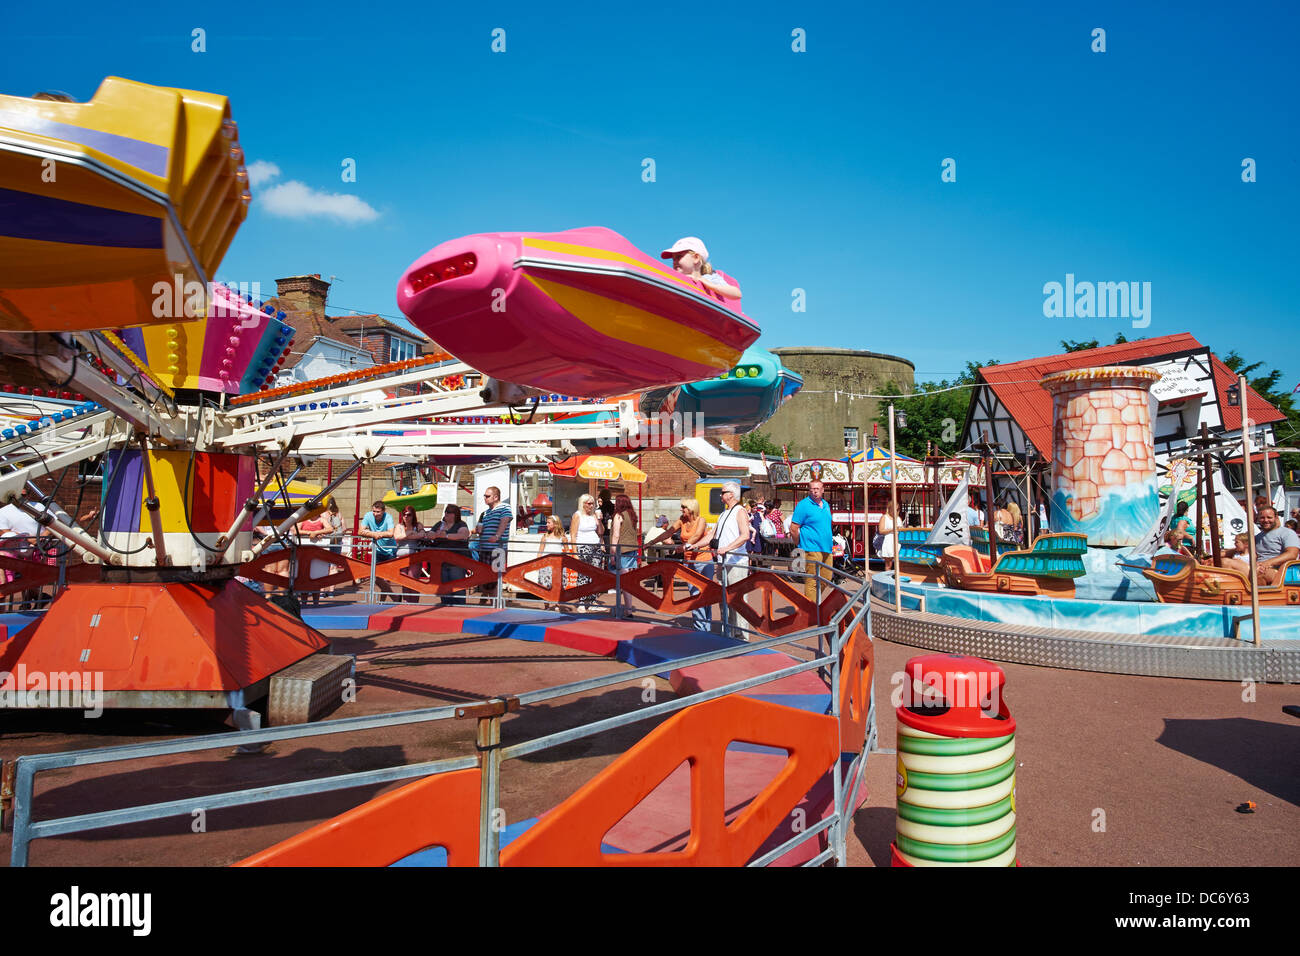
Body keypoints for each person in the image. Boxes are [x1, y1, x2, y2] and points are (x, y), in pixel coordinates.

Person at [662, 498, 714, 630]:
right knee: (695, 595)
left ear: (690, 509)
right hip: (689, 561)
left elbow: (697, 535)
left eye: (683, 507)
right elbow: (669, 532)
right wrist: (650, 542)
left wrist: (684, 546)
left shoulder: (701, 520)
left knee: (706, 594)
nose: (681, 509)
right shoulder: (681, 520)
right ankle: (701, 627)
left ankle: (705, 627)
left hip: (704, 561)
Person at [712, 481, 751, 638]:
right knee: (724, 600)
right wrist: (691, 545)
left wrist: (727, 548)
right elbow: (712, 535)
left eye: (723, 492)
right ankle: (727, 632)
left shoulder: (740, 511)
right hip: (723, 562)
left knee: (738, 600)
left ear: (731, 494)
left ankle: (742, 635)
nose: (721, 495)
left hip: (736, 563)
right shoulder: (723, 514)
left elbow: (745, 535)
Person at [790, 479, 834, 603]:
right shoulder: (803, 505)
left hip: (827, 548)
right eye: (812, 489)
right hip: (811, 548)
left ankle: (813, 604)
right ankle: (811, 613)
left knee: (826, 578)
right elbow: (793, 528)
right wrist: (799, 544)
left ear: (823, 490)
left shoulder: (826, 505)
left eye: (817, 489)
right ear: (809, 490)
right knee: (812, 581)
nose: (815, 491)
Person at [661, 236, 742, 300]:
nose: (675, 262)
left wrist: (708, 284)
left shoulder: (709, 277)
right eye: (673, 259)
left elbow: (737, 294)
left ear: (696, 258)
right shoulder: (673, 278)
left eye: (679, 257)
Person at [470, 486, 513, 602]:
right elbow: (480, 529)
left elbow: (505, 521)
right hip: (485, 548)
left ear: (496, 497)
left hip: (497, 549)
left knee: (495, 578)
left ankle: (495, 603)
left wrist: (497, 536)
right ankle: (486, 597)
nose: (485, 498)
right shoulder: (486, 513)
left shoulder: (504, 507)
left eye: (487, 496)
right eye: (484, 496)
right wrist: (476, 530)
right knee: (485, 576)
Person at [568, 493, 606, 611]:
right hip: (583, 546)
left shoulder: (594, 515)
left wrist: (599, 520)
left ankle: (593, 600)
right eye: (589, 503)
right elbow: (573, 534)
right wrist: (574, 553)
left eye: (593, 503)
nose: (591, 506)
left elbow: (601, 531)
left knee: (595, 574)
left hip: (595, 546)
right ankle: (582, 601)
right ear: (583, 504)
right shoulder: (577, 515)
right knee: (583, 574)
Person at [428, 504, 470, 606]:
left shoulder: (461, 524)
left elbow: (464, 535)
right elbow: (429, 534)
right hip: (441, 562)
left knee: (457, 587)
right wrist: (435, 535)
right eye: (446, 511)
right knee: (444, 587)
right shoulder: (439, 524)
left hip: (457, 561)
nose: (446, 513)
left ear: (455, 514)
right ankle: (445, 608)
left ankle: (459, 609)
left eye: (449, 512)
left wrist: (446, 536)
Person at [358, 501, 398, 602]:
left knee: (385, 578)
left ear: (383, 511)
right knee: (377, 578)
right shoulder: (368, 515)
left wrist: (377, 534)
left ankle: (382, 601)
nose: (375, 514)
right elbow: (360, 531)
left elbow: (391, 533)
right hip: (378, 550)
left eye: (378, 512)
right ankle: (395, 597)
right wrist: (374, 534)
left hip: (390, 550)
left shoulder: (388, 517)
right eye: (374, 511)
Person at [1253, 506, 1300, 586]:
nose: (1266, 520)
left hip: (1278, 570)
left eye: (1269, 517)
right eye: (1262, 518)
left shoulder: (1287, 533)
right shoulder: (1257, 537)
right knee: (1227, 563)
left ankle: (1262, 597)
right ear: (1258, 519)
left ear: (1276, 517)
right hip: (1257, 566)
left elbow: (1292, 554)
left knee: (1258, 573)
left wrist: (1267, 563)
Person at [535, 515, 569, 608]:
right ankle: (546, 604)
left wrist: (566, 562)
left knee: (557, 583)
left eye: (549, 523)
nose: (547, 524)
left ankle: (557, 603)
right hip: (546, 563)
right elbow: (540, 550)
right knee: (545, 583)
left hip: (558, 563)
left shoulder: (562, 537)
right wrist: (538, 562)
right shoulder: (545, 536)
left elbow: (567, 550)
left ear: (555, 524)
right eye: (547, 522)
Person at [610, 493, 640, 573]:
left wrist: (612, 554)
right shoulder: (632, 515)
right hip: (633, 548)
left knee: (620, 576)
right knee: (630, 574)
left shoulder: (619, 516)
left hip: (622, 549)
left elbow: (616, 535)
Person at [875, 501, 898, 571]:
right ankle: (887, 579)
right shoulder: (884, 517)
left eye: (898, 509)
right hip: (888, 541)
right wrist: (892, 530)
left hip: (897, 541)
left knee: (898, 564)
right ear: (890, 509)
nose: (897, 511)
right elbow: (881, 531)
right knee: (889, 564)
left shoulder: (898, 518)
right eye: (895, 509)